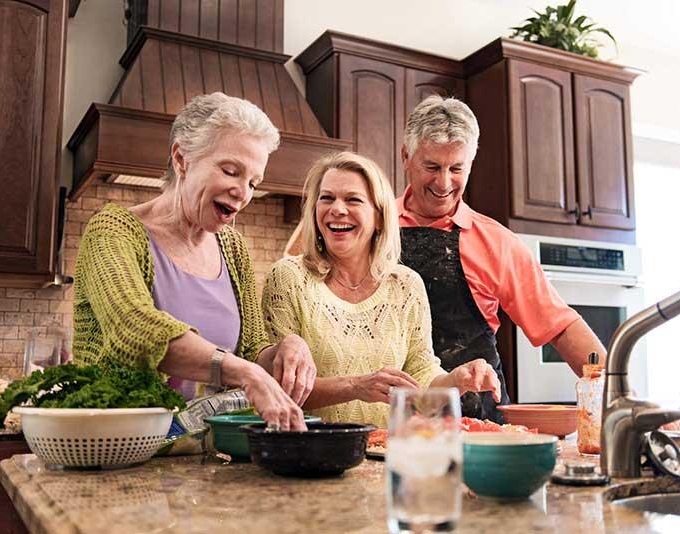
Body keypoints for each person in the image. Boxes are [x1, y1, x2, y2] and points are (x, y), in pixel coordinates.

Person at [73, 92, 314, 431]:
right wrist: (245, 373)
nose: (243, 193)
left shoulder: (233, 248)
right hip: (119, 448)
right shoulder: (113, 232)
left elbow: (251, 349)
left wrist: (287, 348)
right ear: (181, 159)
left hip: (205, 454)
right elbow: (133, 328)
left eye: (253, 182)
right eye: (231, 171)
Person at [398, 95, 607, 422]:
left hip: (478, 424)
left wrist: (620, 395)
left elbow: (562, 327)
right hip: (393, 418)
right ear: (405, 157)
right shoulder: (371, 226)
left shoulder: (496, 242)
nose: (444, 183)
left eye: (457, 168)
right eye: (432, 167)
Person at [263, 152, 500, 428]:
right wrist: (354, 386)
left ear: (379, 216)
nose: (337, 209)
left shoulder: (406, 285)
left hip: (386, 452)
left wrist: (456, 380)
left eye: (353, 199)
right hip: (311, 452)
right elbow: (277, 386)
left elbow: (420, 374)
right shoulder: (289, 278)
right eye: (326, 198)